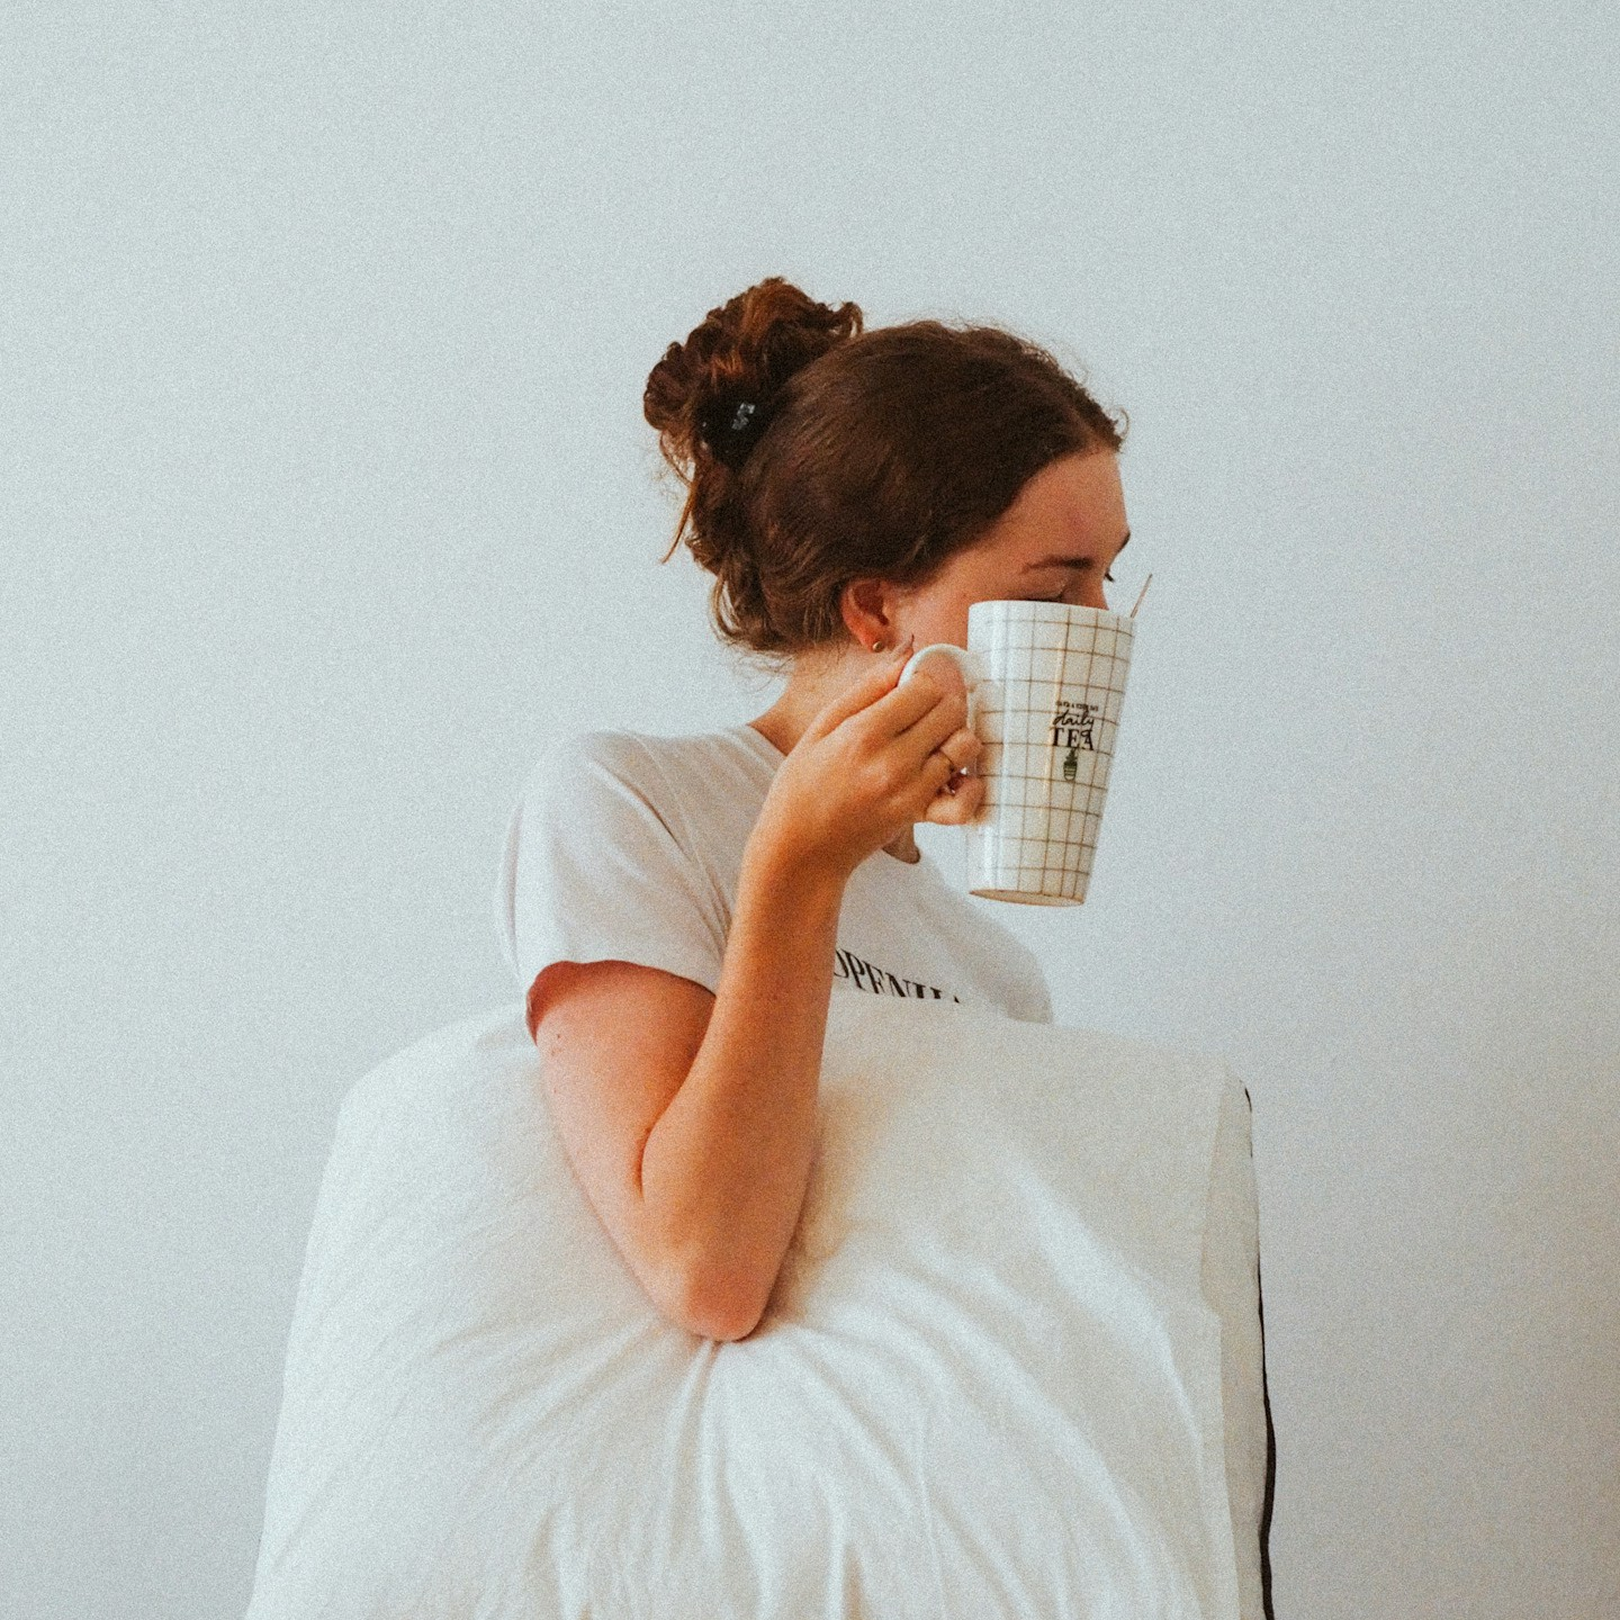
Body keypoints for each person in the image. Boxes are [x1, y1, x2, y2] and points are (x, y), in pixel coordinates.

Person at [495, 277, 1132, 1344]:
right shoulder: (626, 803)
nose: (1100, 635)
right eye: (1055, 592)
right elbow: (705, 1268)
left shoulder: (1001, 976)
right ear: (877, 606)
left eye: (1112, 584)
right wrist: (798, 864)